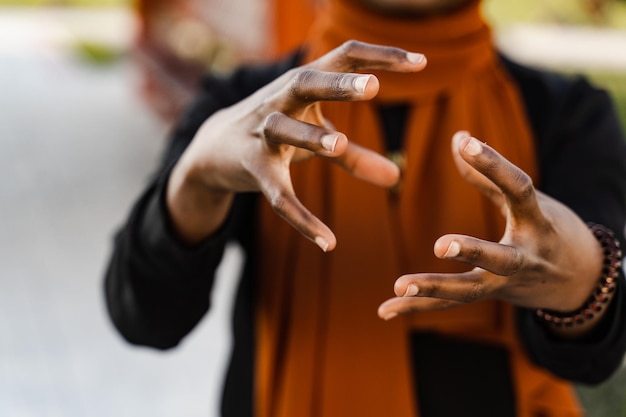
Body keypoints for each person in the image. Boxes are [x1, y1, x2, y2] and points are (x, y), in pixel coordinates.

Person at [104, 0, 626, 415]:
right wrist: (194, 183)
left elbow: (592, 353)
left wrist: (584, 276)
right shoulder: (248, 107)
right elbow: (146, 319)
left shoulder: (565, 115)